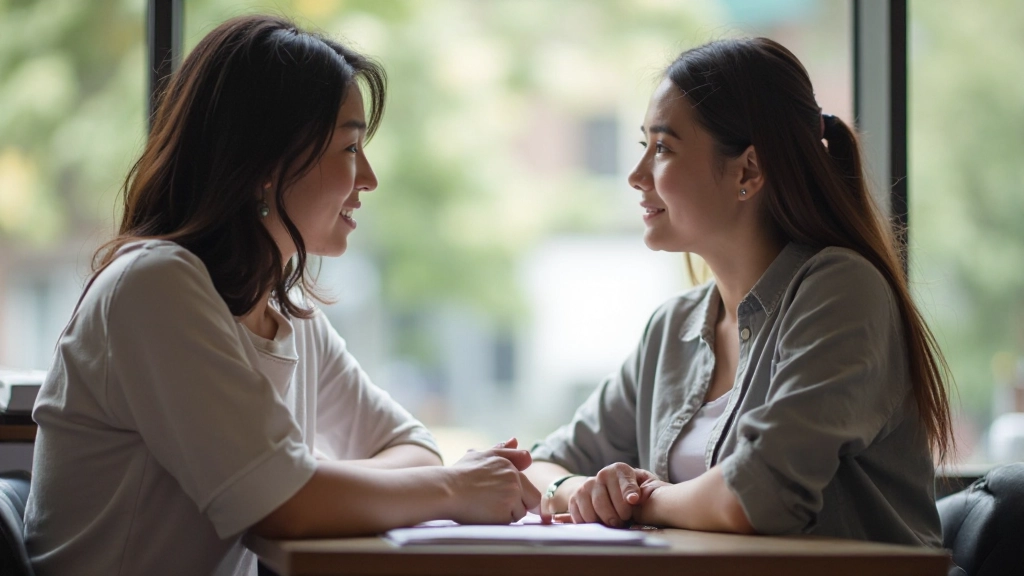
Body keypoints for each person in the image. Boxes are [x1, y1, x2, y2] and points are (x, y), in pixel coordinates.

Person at [23, 15, 539, 576]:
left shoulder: (286, 310)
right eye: (349, 147)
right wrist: (448, 489)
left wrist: (309, 478)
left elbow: (409, 445)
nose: (368, 177)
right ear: (267, 163)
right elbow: (281, 508)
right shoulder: (154, 287)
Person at [525, 37, 954, 546]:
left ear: (747, 169)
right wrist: (579, 490)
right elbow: (536, 467)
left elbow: (759, 497)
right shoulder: (673, 327)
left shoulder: (841, 290)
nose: (636, 176)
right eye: (644, 146)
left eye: (663, 148)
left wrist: (639, 500)